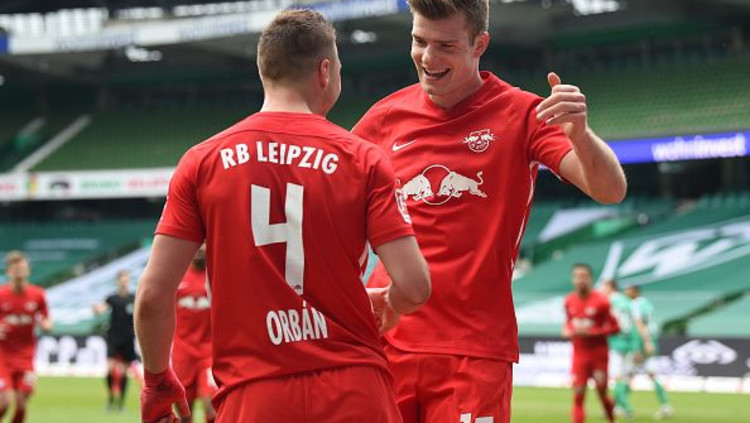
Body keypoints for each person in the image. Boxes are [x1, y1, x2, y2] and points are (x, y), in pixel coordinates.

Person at [134, 9, 431, 423]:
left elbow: (152, 295)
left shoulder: (202, 162)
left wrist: (156, 380)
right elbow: (415, 286)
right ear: (325, 71)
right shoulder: (364, 159)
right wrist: (392, 302)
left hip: (255, 395)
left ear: (265, 72)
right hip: (355, 390)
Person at [352, 0, 627, 421]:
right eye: (420, 41)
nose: (428, 58)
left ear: (480, 44)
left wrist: (582, 135)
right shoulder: (383, 118)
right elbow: (330, 207)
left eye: (446, 46)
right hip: (386, 339)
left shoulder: (524, 114)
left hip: (474, 352)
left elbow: (610, 190)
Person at [0, 251, 52, 423]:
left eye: (22, 268)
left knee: (21, 404)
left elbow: (46, 318)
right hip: (2, 357)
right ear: (9, 272)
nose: (19, 273)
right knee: (4, 402)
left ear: (28, 270)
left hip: (26, 357)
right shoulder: (1, 294)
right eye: (16, 269)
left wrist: (46, 325)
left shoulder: (38, 294)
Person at [563, 264, 619, 423]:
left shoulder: (602, 301)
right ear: (573, 279)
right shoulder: (569, 300)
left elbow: (616, 327)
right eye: (577, 276)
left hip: (599, 354)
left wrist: (593, 332)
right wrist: (567, 329)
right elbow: (568, 323)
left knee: (602, 394)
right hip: (579, 354)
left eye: (584, 276)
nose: (580, 280)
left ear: (591, 279)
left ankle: (611, 418)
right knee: (578, 395)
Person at [172, 245, 216, 423]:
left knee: (211, 407)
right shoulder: (176, 276)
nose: (200, 248)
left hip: (209, 353)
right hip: (183, 353)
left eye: (204, 243)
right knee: (185, 412)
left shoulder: (216, 275)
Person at [625, 284, 674, 420]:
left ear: (635, 291)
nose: (626, 292)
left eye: (628, 290)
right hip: (651, 340)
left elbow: (639, 324)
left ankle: (621, 407)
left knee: (627, 375)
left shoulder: (635, 304)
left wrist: (644, 343)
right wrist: (649, 342)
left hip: (639, 342)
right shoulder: (647, 303)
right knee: (652, 374)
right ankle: (665, 405)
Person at [93, 269, 138, 412]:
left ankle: (121, 403)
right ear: (118, 282)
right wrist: (96, 309)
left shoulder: (133, 298)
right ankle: (111, 397)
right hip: (113, 337)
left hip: (128, 337)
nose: (124, 282)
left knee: (124, 372)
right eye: (122, 280)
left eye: (126, 280)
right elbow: (101, 309)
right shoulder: (112, 298)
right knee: (109, 369)